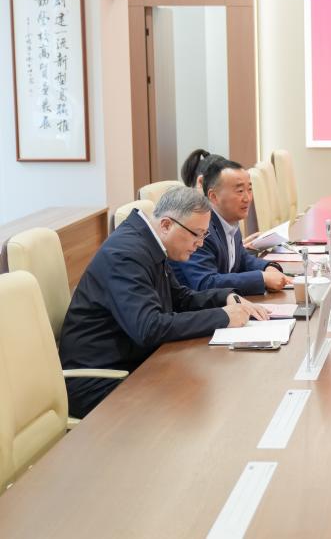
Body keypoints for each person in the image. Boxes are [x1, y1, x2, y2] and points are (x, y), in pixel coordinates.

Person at [59, 187, 270, 418]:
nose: (200, 244)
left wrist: (225, 297)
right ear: (167, 225)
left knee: (210, 390)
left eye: (204, 235)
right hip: (100, 381)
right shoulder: (126, 255)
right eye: (196, 234)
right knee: (200, 407)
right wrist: (223, 317)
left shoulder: (149, 242)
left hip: (135, 363)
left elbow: (179, 298)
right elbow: (149, 328)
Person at [171, 154, 290, 295]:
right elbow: (206, 283)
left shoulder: (229, 219)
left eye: (249, 189)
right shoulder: (200, 228)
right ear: (213, 196)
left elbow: (242, 259)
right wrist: (261, 278)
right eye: (240, 191)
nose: (247, 198)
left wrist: (268, 267)